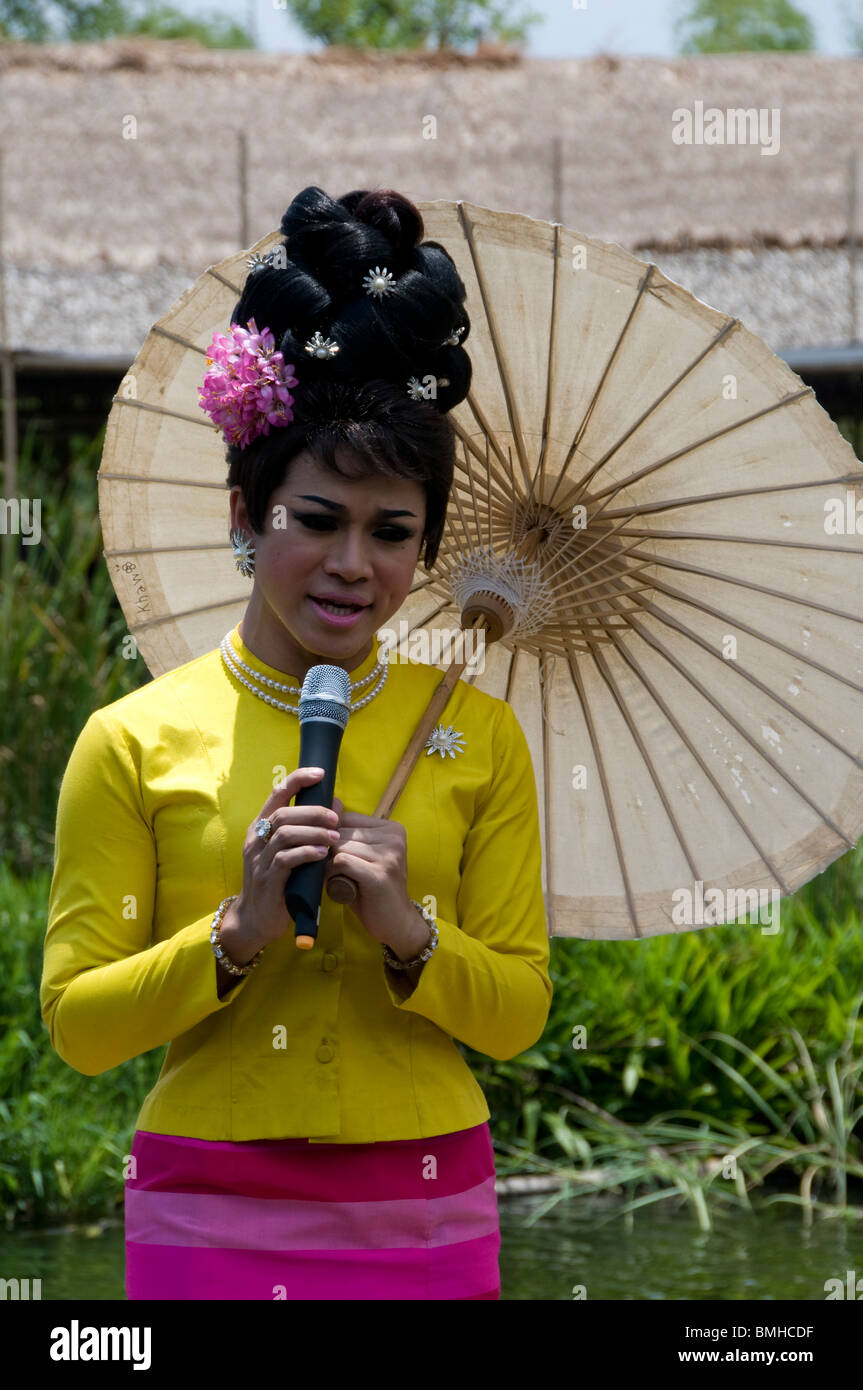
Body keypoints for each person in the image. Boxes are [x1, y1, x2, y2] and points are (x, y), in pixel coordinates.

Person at [40, 185, 553, 1301]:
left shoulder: (474, 732)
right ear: (243, 513)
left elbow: (516, 1011)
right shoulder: (130, 740)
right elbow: (77, 1025)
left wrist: (411, 932)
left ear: (423, 548)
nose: (351, 566)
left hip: (425, 1201)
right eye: (314, 520)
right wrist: (232, 936)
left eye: (391, 532)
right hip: (206, 1205)